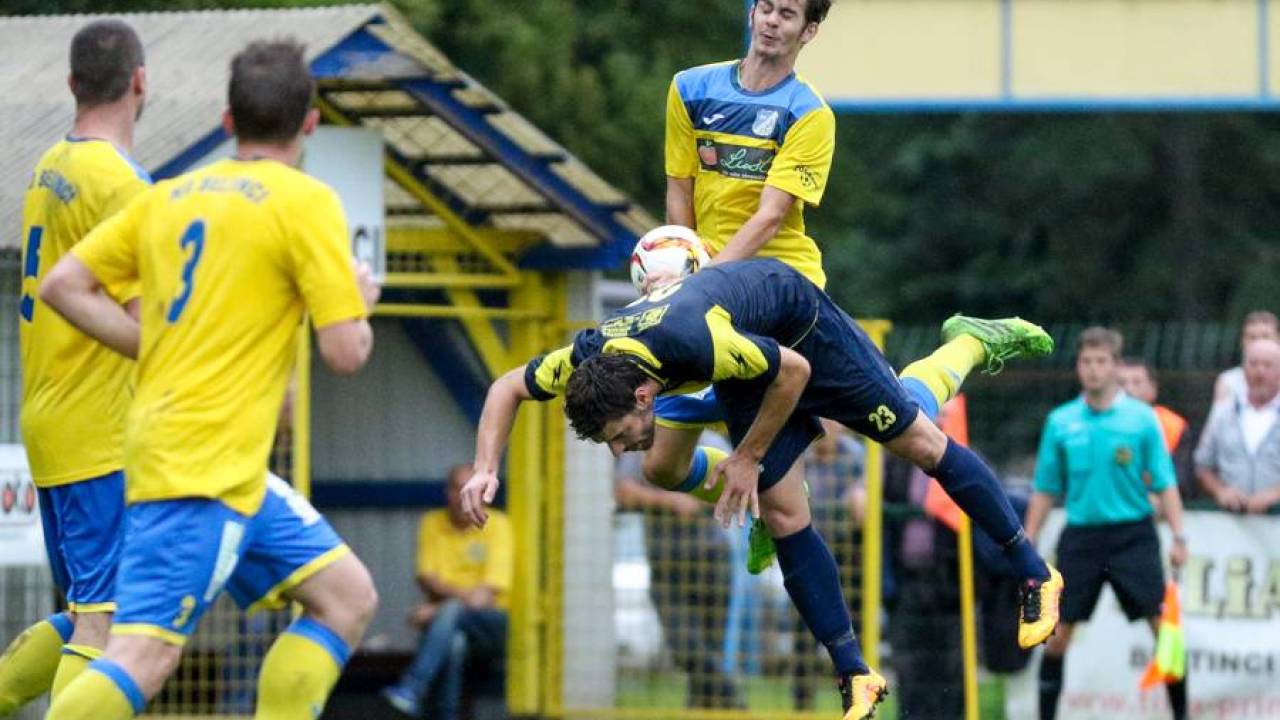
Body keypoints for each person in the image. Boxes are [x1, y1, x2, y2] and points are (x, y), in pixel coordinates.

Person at [461, 259, 1062, 720]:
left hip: (805, 333)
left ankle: (1035, 572)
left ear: (643, 396)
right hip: (751, 363)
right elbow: (506, 388)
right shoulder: (590, 358)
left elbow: (794, 371)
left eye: (619, 436)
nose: (619, 449)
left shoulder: (694, 341)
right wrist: (486, 467)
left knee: (919, 441)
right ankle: (855, 672)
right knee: (783, 513)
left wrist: (747, 458)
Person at [37, 40, 380, 720]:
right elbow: (345, 352)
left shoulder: (169, 197)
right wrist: (358, 305)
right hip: (197, 471)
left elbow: (62, 285)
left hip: (229, 468)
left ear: (228, 121)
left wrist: (151, 348)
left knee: (346, 596)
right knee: (143, 656)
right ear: (310, 124)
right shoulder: (307, 202)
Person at [0, 20, 150, 715]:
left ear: (71, 84)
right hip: (99, 432)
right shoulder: (123, 186)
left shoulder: (51, 165)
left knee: (87, 612)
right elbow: (149, 327)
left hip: (51, 418)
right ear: (140, 82)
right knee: (106, 624)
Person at [1025, 327, 1189, 720]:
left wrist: (1179, 536)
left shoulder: (1141, 419)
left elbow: (1164, 482)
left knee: (1163, 630)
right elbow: (1046, 487)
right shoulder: (1061, 421)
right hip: (1081, 538)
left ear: (1116, 366)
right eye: (1086, 361)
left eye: (1101, 361)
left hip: (1133, 535)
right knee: (1057, 635)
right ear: (1078, 366)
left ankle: (1182, 714)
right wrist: (1027, 539)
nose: (1093, 369)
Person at [616, 433, 744, 709]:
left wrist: (697, 500)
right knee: (686, 648)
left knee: (709, 648)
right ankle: (733, 701)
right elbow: (624, 491)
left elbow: (733, 486)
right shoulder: (643, 443)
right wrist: (671, 501)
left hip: (712, 557)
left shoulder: (711, 442)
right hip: (665, 563)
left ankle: (700, 709)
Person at [382, 464, 513, 719]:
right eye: (457, 489)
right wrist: (452, 605)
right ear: (447, 492)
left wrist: (437, 609)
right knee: (454, 642)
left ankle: (412, 688)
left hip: (491, 625)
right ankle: (440, 711)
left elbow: (484, 599)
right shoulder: (432, 523)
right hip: (450, 628)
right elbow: (427, 579)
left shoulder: (498, 525)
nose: (463, 496)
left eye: (470, 489)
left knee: (451, 612)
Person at [1195, 338, 1280, 513]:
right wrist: (1221, 491)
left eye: (1268, 365)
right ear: (1243, 370)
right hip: (1231, 520)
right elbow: (1202, 465)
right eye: (1253, 364)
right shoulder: (1223, 413)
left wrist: (1275, 494)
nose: (1260, 372)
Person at [1119, 357, 1195, 497]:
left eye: (1137, 382)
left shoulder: (1173, 426)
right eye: (1121, 383)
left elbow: (1182, 482)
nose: (1128, 389)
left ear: (1153, 389)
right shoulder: (1097, 425)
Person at [1213, 311, 1279, 406]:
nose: (1258, 343)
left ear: (1278, 340)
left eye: (1265, 337)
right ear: (1242, 342)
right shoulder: (1229, 381)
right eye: (1252, 337)